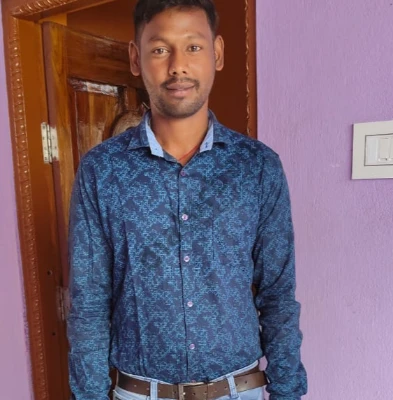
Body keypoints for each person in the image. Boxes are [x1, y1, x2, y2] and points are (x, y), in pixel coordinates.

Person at [67, 0, 307, 399]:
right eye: (160, 49)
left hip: (239, 390)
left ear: (217, 53)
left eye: (193, 47)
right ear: (136, 58)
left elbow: (278, 295)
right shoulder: (102, 170)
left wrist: (288, 392)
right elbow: (89, 302)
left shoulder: (257, 167)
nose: (177, 66)